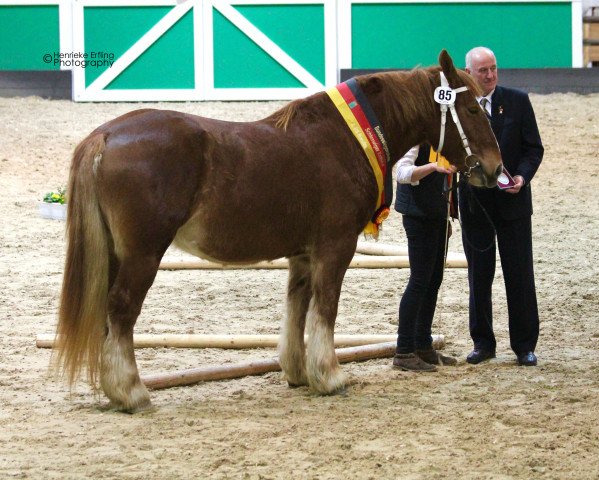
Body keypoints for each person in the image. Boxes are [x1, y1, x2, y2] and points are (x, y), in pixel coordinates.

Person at [460, 46, 544, 366]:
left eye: (493, 68)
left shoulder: (518, 101)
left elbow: (533, 149)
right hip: (475, 204)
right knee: (479, 276)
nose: (490, 75)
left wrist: (522, 176)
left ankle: (524, 346)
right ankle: (483, 343)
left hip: (514, 203)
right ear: (469, 73)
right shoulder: (460, 106)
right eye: (483, 70)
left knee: (520, 274)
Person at [392, 144, 459, 372]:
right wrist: (432, 167)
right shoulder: (417, 137)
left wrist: (447, 213)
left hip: (436, 213)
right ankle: (404, 350)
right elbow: (401, 173)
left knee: (434, 280)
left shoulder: (442, 138)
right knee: (419, 280)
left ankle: (422, 344)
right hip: (417, 215)